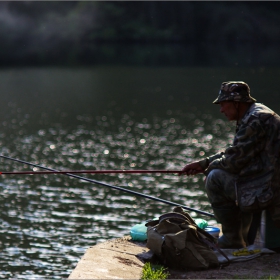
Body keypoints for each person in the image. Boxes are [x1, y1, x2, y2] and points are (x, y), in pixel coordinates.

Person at [181, 81, 280, 249]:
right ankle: (244, 236)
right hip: (269, 178)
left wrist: (208, 169)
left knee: (214, 179)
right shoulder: (256, 112)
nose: (221, 110)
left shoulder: (253, 121)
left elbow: (233, 163)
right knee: (224, 174)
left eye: (223, 105)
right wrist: (203, 163)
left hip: (272, 188)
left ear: (236, 103)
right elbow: (236, 152)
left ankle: (233, 239)